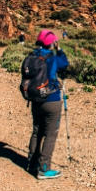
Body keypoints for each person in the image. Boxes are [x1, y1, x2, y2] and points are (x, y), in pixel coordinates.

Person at [27, 29, 69, 179]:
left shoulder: (32, 56)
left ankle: (31, 163)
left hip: (36, 99)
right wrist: (60, 50)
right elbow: (65, 64)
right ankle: (44, 169)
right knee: (50, 134)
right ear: (52, 43)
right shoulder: (52, 58)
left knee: (37, 131)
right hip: (51, 100)